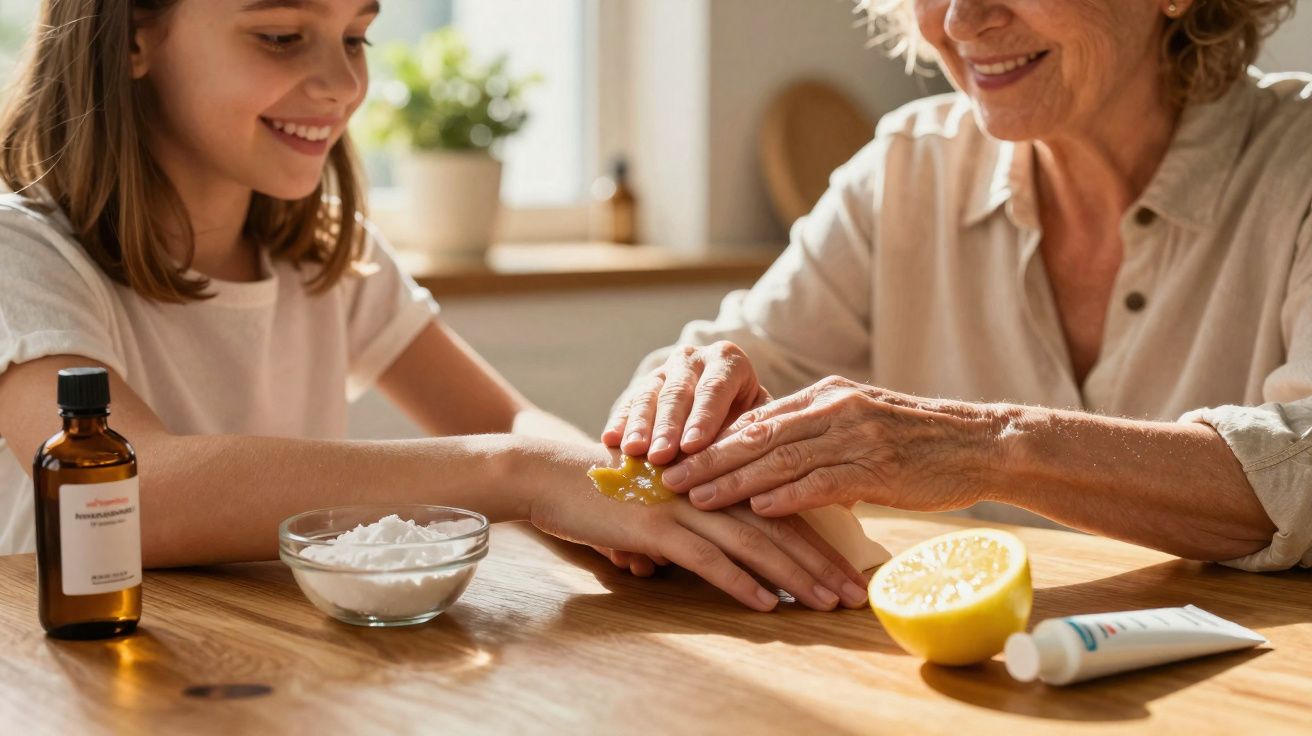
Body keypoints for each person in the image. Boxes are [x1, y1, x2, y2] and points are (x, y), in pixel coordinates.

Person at [0, 0, 872, 613]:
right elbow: (126, 494)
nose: (340, 82)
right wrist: (518, 474)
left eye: (357, 36)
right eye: (279, 36)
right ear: (130, 36)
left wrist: (645, 503)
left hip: (268, 674)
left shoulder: (324, 253)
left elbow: (509, 419)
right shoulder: (23, 254)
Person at [606, 0, 1312, 571]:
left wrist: (989, 448)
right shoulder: (906, 170)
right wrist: (679, 408)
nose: (961, 20)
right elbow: (714, 381)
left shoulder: (1298, 164)